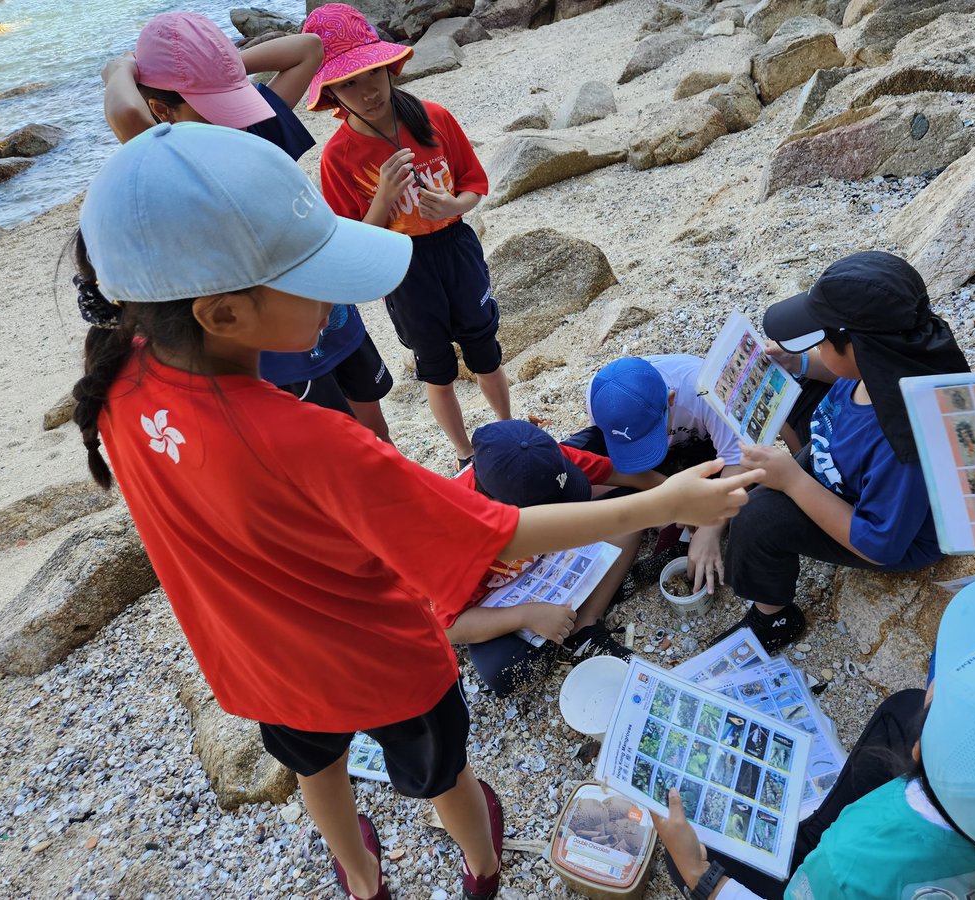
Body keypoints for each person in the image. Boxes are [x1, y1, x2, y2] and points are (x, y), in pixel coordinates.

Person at [69, 124, 763, 900]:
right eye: (314, 276)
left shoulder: (118, 384)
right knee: (442, 776)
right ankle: (482, 863)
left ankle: (362, 881)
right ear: (221, 314)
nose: (338, 295)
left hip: (253, 664)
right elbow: (496, 530)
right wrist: (667, 501)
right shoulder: (311, 440)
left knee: (318, 771)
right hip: (379, 669)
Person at [657, 435, 975, 900]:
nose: (930, 689)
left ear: (919, 751)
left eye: (942, 690)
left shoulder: (855, 862)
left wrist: (705, 879)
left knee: (692, 860)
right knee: (901, 707)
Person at [100, 11, 395, 441]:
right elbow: (129, 113)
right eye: (215, 108)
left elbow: (309, 48)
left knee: (371, 430)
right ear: (162, 110)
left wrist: (127, 69)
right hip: (290, 340)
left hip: (323, 319)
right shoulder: (191, 161)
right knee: (336, 439)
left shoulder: (240, 129)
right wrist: (216, 70)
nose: (231, 119)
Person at [717, 252, 971, 653]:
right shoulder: (902, 351)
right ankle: (805, 481)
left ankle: (773, 617)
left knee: (756, 515)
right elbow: (839, 364)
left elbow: (879, 543)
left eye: (818, 338)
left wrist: (795, 482)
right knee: (791, 392)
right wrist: (798, 361)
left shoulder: (903, 439)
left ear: (860, 348)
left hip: (888, 534)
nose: (814, 346)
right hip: (849, 462)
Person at [306, 3, 509, 468]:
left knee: (485, 349)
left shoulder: (432, 116)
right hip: (401, 264)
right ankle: (465, 454)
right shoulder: (339, 156)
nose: (366, 91)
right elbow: (350, 239)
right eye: (348, 83)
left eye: (371, 74)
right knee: (434, 367)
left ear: (388, 66)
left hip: (455, 247)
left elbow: (473, 181)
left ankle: (508, 423)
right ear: (332, 93)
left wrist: (454, 206)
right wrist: (383, 198)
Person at [442, 420, 664, 693]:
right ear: (504, 509)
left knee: (632, 508)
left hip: (553, 560)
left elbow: (620, 474)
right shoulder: (450, 536)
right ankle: (574, 612)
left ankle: (584, 623)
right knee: (508, 671)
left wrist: (676, 502)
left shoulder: (538, 462)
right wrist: (525, 616)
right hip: (499, 599)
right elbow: (446, 627)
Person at [568, 355, 744, 594]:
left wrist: (712, 527)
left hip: (702, 448)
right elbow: (612, 462)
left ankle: (680, 523)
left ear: (670, 400)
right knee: (578, 463)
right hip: (657, 468)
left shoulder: (703, 390)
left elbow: (738, 459)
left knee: (743, 496)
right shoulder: (599, 398)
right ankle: (667, 523)